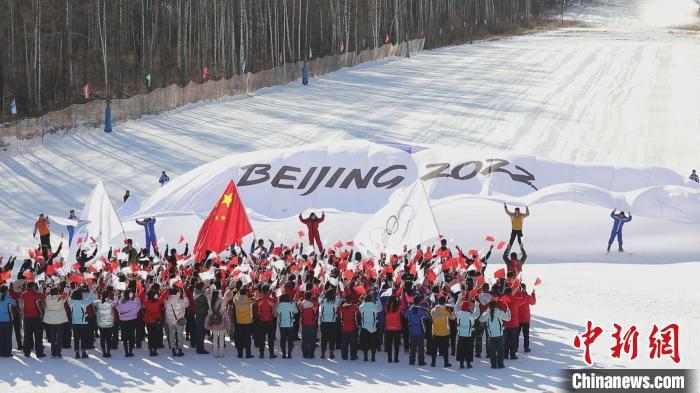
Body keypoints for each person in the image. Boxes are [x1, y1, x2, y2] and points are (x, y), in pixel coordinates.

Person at [67, 284, 96, 359]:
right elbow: (92, 297)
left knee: (76, 338)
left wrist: (74, 290)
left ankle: (77, 353)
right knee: (83, 338)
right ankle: (83, 353)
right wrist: (90, 290)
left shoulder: (71, 303)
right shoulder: (83, 303)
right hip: (83, 323)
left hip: (75, 323)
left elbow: (69, 297)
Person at [480, 301, 511, 369]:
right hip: (500, 334)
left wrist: (485, 312)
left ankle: (493, 364)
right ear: (496, 306)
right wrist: (508, 311)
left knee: (492, 351)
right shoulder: (499, 312)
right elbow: (508, 318)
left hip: (491, 335)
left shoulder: (487, 313)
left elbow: (481, 319)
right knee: (500, 350)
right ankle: (500, 364)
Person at [20, 282, 46, 358]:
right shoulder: (36, 295)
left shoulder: (23, 294)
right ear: (33, 287)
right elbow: (43, 297)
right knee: (38, 336)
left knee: (27, 335)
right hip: (36, 317)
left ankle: (26, 352)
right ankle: (39, 353)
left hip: (26, 317)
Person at [142, 286, 168, 356]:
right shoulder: (158, 302)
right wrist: (166, 289)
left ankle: (150, 350)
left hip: (149, 322)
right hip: (156, 321)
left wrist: (142, 290)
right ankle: (155, 350)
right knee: (156, 336)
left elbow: (142, 297)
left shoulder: (147, 303)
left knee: (150, 336)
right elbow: (163, 296)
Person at [206, 288, 232, 358]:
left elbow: (207, 293)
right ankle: (221, 353)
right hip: (222, 321)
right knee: (221, 339)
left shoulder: (210, 300)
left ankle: (215, 353)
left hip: (213, 321)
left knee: (214, 338)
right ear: (218, 295)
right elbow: (229, 295)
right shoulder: (223, 300)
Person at [405, 296, 431, 366]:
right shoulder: (422, 311)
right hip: (420, 330)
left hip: (412, 330)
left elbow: (405, 315)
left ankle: (411, 360)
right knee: (421, 347)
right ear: (419, 302)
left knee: (412, 346)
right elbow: (429, 318)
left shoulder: (410, 310)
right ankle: (421, 361)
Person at [44, 286, 68, 358]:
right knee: (59, 337)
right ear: (57, 292)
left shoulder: (47, 298)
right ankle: (58, 353)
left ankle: (53, 353)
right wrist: (66, 287)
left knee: (53, 337)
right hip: (60, 320)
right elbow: (66, 294)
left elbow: (46, 293)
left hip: (51, 320)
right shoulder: (60, 298)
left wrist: (48, 287)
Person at [456, 298, 481, 369]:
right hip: (469, 334)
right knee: (469, 348)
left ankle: (461, 363)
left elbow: (455, 308)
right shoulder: (471, 315)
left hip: (460, 333)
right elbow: (477, 313)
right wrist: (477, 305)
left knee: (460, 348)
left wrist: (458, 299)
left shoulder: (458, 314)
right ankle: (468, 363)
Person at [165, 286, 189, 357]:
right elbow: (187, 304)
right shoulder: (180, 301)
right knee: (180, 335)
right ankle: (180, 350)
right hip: (179, 320)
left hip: (170, 321)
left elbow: (165, 307)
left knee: (171, 335)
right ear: (177, 293)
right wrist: (185, 297)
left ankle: (173, 350)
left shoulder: (166, 301)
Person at [116, 289, 142, 357]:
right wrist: (137, 297)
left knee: (124, 337)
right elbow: (139, 306)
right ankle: (130, 351)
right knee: (131, 336)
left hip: (123, 321)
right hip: (131, 321)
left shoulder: (120, 303)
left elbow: (117, 307)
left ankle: (126, 352)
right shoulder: (133, 303)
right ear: (131, 295)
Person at [430, 296, 454, 368]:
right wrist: (450, 310)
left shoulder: (433, 310)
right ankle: (446, 363)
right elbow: (453, 318)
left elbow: (435, 314)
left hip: (435, 332)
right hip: (444, 332)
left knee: (434, 349)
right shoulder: (446, 310)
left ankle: (433, 363)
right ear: (444, 302)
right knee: (445, 349)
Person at [254, 284, 277, 358]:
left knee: (262, 338)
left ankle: (261, 354)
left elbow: (257, 301)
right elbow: (274, 303)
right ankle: (271, 354)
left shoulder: (259, 300)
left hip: (261, 321)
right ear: (268, 291)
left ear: (261, 291)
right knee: (270, 339)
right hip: (270, 320)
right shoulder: (272, 300)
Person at [358, 293, 381, 362]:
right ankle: (373, 356)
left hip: (364, 327)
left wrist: (363, 301)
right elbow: (380, 308)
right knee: (373, 343)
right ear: (371, 299)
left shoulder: (361, 306)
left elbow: (360, 307)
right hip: (373, 327)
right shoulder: (374, 306)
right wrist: (378, 300)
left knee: (365, 343)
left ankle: (365, 357)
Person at [93, 290, 117, 358]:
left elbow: (93, 303)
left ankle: (103, 352)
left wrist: (96, 312)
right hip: (109, 323)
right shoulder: (110, 303)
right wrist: (115, 296)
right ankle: (108, 352)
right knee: (108, 338)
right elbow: (116, 304)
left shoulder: (98, 303)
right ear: (108, 295)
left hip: (101, 323)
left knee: (102, 338)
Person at [233, 287, 255, 358]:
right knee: (248, 339)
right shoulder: (249, 301)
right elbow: (255, 300)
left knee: (240, 338)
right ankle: (248, 354)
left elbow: (234, 297)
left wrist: (238, 293)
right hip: (248, 322)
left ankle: (240, 354)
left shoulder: (236, 300)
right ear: (246, 293)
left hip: (239, 321)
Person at [319, 288, 341, 359]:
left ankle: (323, 354)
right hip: (332, 322)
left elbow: (319, 299)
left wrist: (322, 293)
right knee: (332, 338)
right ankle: (331, 354)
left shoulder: (322, 301)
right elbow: (339, 301)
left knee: (323, 338)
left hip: (324, 321)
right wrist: (338, 295)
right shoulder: (335, 302)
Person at [276, 293, 299, 359]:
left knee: (283, 339)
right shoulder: (291, 304)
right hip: (290, 324)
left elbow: (277, 312)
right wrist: (294, 304)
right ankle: (289, 354)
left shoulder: (279, 305)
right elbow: (296, 311)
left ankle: (283, 354)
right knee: (290, 340)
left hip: (282, 324)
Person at [384, 294, 405, 363]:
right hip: (397, 328)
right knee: (396, 345)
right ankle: (396, 359)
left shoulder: (386, 307)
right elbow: (404, 306)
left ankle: (389, 358)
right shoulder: (398, 307)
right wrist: (400, 299)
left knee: (389, 344)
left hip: (388, 327)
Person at [298, 291, 319, 358]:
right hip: (312, 323)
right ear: (311, 296)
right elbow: (316, 314)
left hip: (304, 323)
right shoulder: (314, 304)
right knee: (312, 340)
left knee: (305, 340)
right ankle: (311, 354)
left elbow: (298, 304)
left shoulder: (302, 304)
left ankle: (305, 354)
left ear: (304, 296)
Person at [338, 294, 359, 360]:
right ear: (351, 300)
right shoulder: (354, 308)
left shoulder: (341, 307)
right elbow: (356, 317)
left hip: (344, 326)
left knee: (344, 342)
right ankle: (353, 355)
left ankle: (344, 355)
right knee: (353, 342)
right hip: (352, 326)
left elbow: (339, 315)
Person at [517, 284, 536, 353]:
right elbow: (533, 302)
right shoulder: (527, 297)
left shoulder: (517, 296)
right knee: (526, 335)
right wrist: (533, 294)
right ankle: (526, 348)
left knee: (516, 334)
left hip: (518, 318)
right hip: (526, 318)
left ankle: (515, 347)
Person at [0, 285, 18, 357]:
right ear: (6, 291)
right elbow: (15, 304)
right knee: (8, 337)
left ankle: (1, 352)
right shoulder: (9, 299)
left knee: (1, 336)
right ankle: (7, 352)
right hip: (8, 320)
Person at [193, 281, 210, 354]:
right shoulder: (200, 296)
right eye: (204, 287)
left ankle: (199, 347)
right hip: (201, 315)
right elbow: (207, 302)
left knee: (200, 332)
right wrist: (207, 295)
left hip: (200, 315)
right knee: (201, 332)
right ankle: (200, 349)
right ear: (201, 288)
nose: (204, 288)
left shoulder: (198, 294)